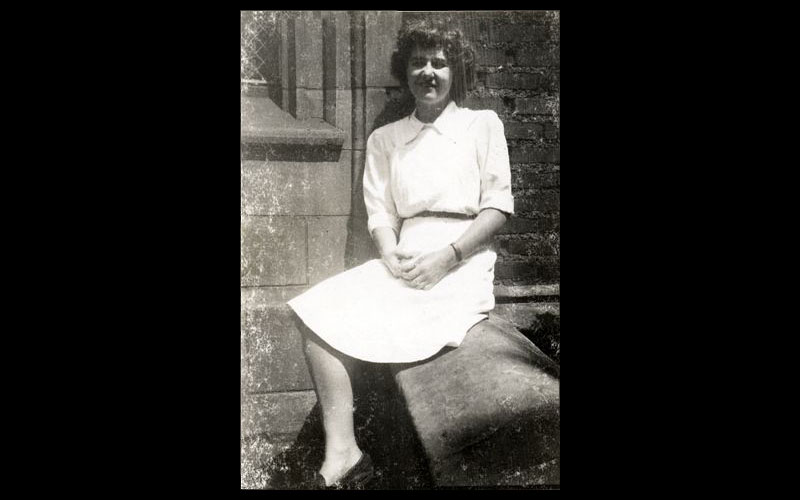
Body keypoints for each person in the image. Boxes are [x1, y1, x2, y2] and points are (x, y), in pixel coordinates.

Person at [287, 18, 514, 489]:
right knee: (312, 312)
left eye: (440, 62)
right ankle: (343, 452)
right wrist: (390, 256)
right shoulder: (384, 139)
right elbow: (380, 216)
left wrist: (448, 257)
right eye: (418, 62)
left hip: (461, 261)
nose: (428, 72)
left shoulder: (481, 126)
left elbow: (497, 208)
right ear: (404, 71)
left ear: (457, 72)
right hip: (403, 258)